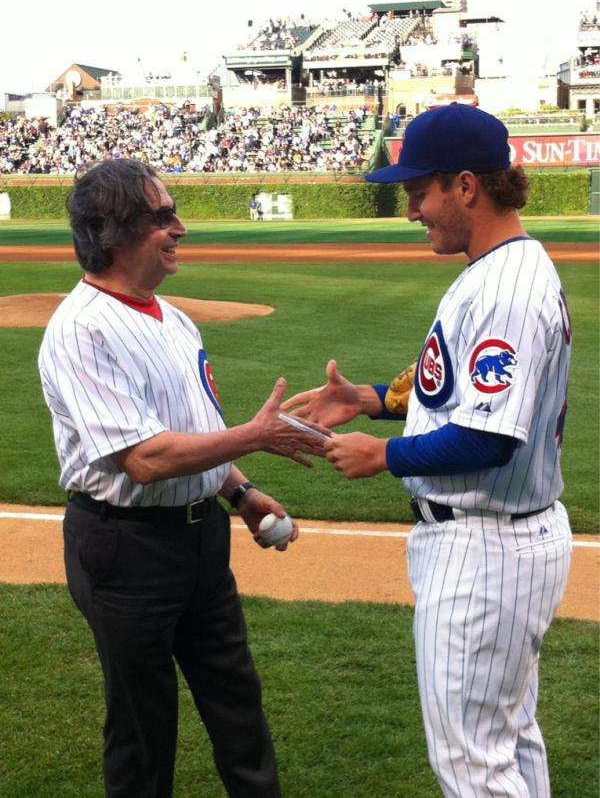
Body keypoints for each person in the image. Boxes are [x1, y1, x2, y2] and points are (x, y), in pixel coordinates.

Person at [283, 105, 573, 797]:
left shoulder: (505, 288)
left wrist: (383, 455)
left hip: (485, 548)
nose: (411, 206)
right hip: (500, 542)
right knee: (508, 741)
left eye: (421, 189)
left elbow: (490, 435)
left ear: (467, 185)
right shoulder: (504, 267)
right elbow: (455, 393)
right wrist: (371, 398)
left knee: (473, 764)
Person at [38, 158, 328, 798]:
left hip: (202, 540)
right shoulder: (81, 330)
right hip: (126, 548)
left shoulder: (173, 317)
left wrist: (242, 492)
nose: (180, 228)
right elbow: (142, 461)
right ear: (114, 232)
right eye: (162, 216)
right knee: (144, 731)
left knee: (237, 704)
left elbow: (191, 433)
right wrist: (255, 434)